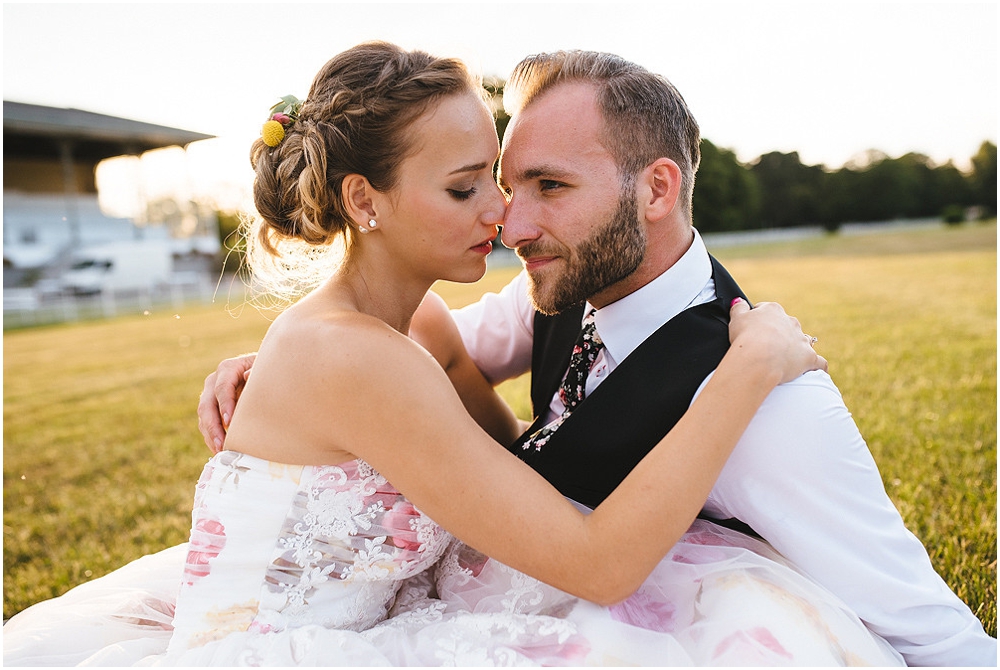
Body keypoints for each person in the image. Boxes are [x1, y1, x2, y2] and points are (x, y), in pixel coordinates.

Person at [2, 42, 899, 667]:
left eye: (505, 186)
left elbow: (509, 462)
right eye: (469, 188)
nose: (502, 217)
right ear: (366, 201)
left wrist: (267, 370)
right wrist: (745, 369)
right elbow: (595, 562)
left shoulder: (412, 326)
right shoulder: (355, 359)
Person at [201, 50, 997, 666]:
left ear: (656, 190)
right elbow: (385, 366)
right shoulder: (554, 291)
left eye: (548, 186)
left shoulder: (778, 405)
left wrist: (745, 375)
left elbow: (923, 619)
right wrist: (272, 371)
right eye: (491, 186)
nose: (510, 223)